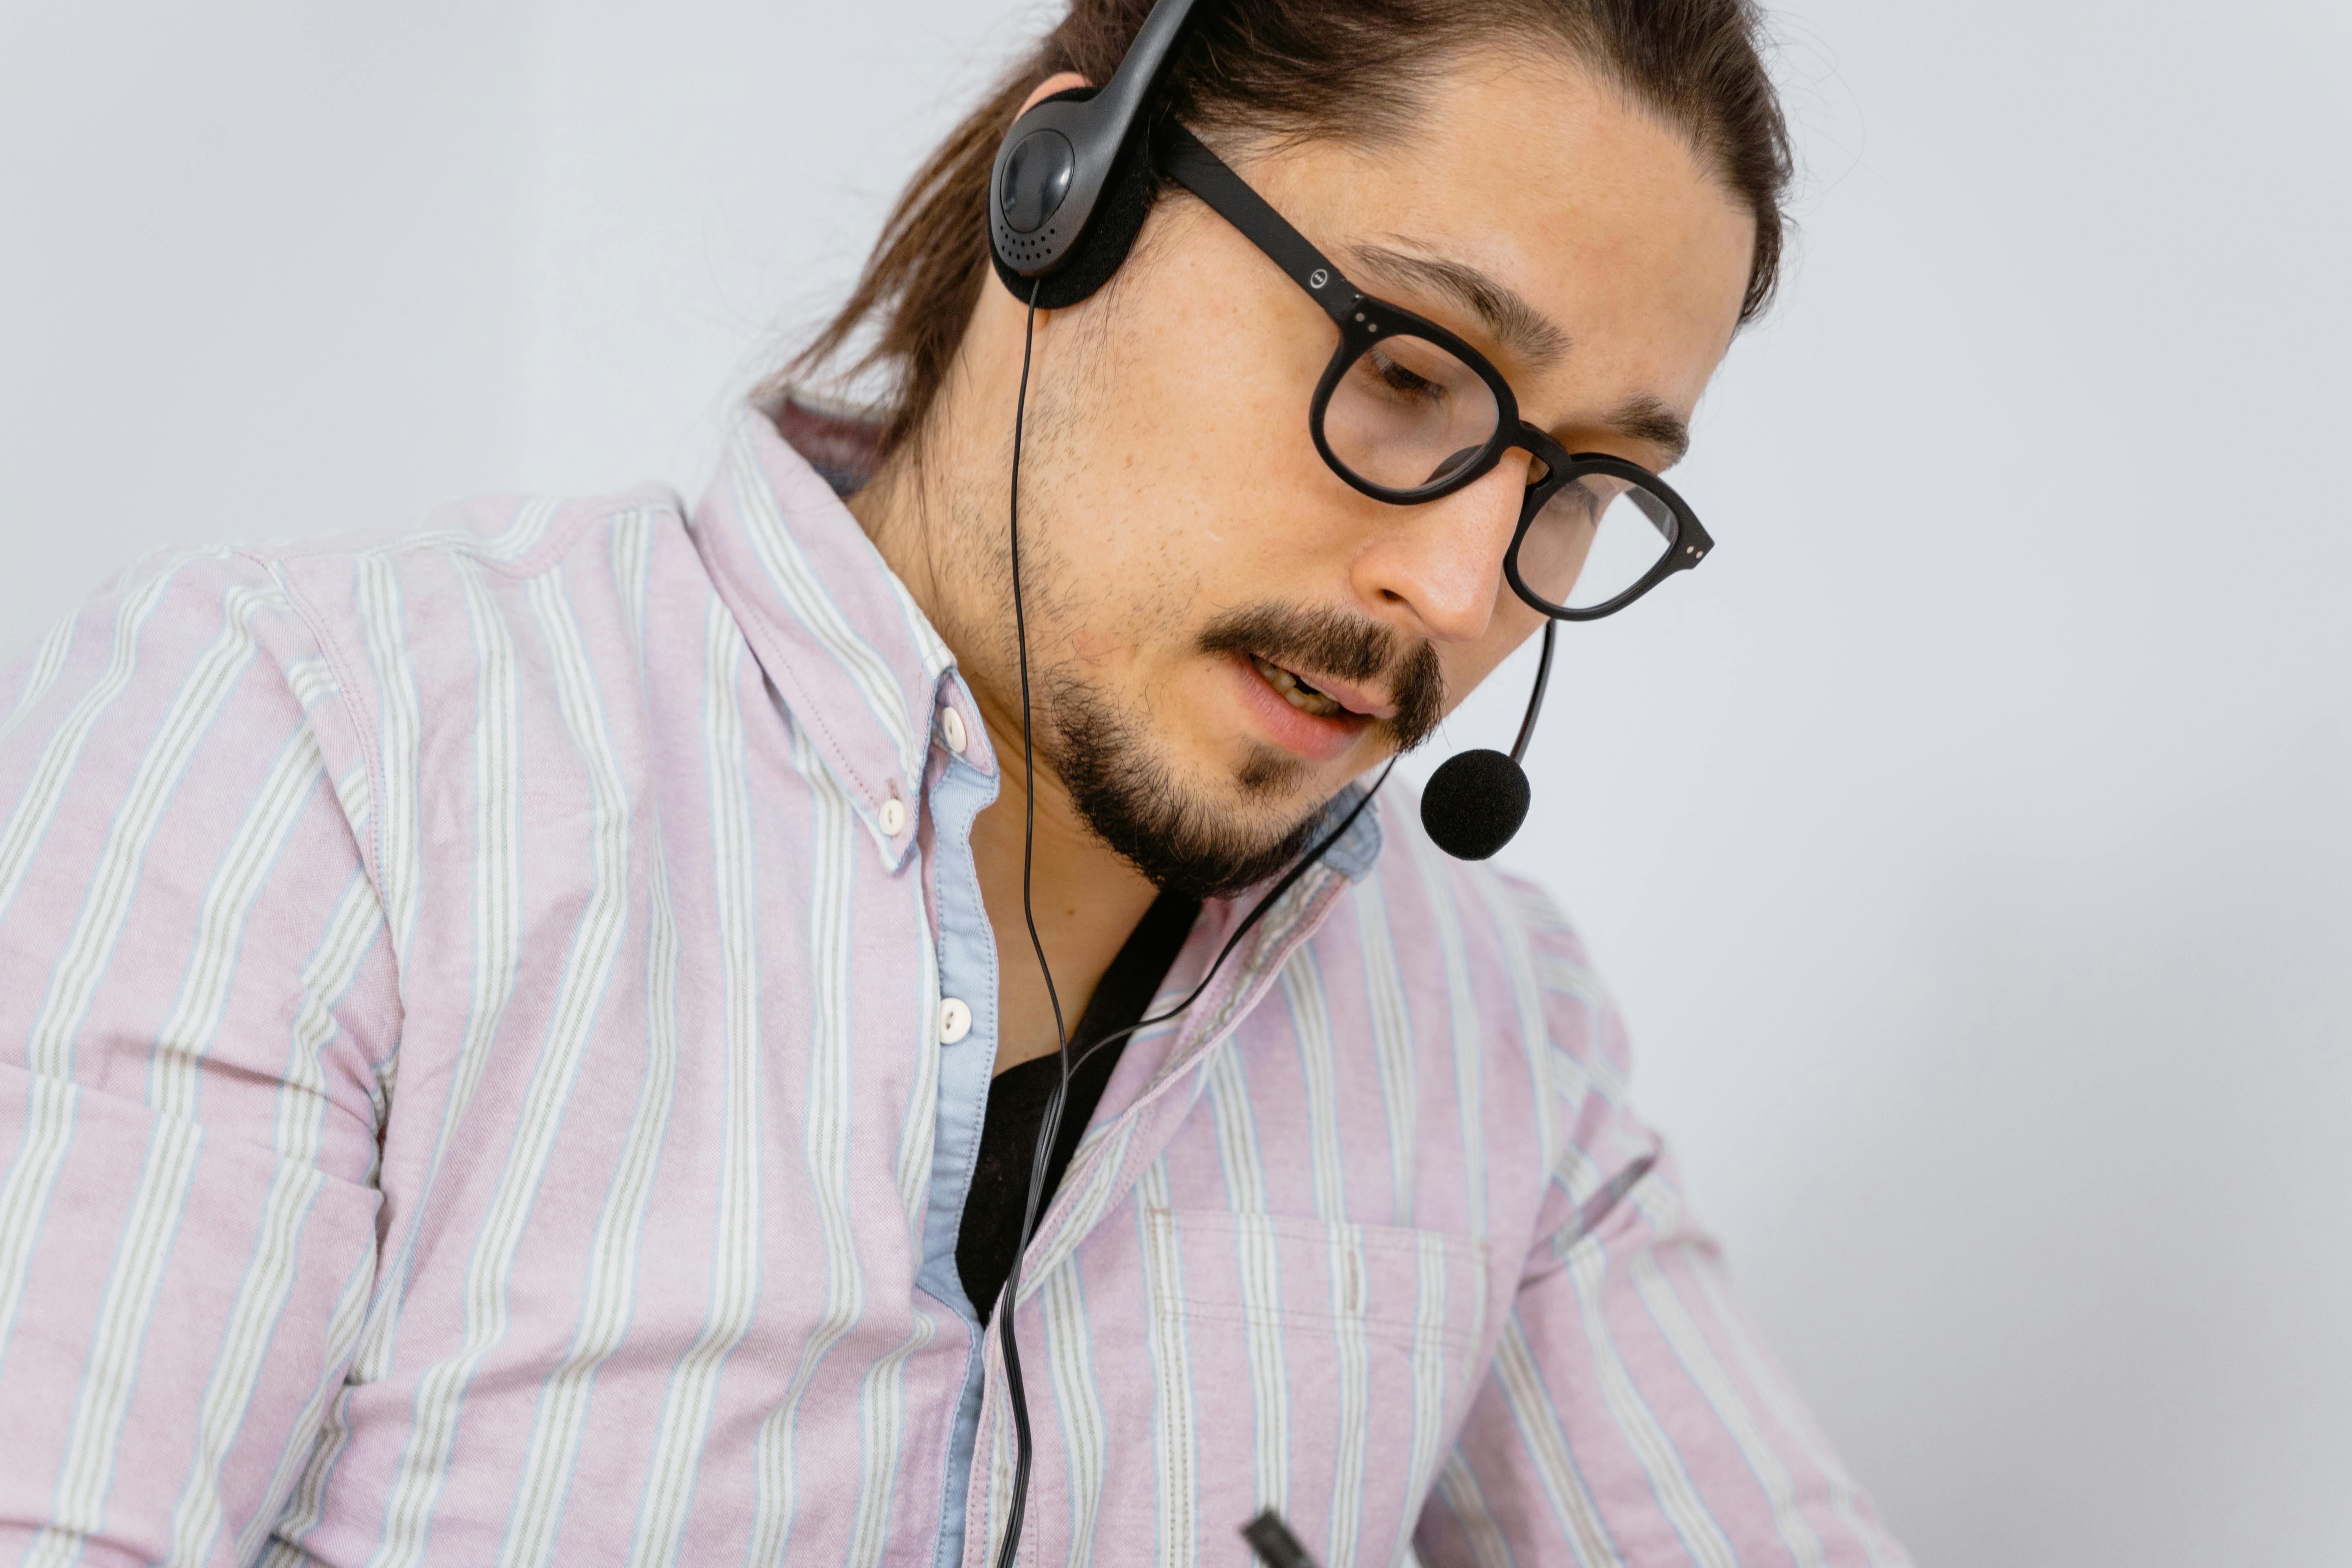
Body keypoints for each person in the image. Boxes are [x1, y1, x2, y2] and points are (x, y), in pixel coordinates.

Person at [0, 0, 1914, 1563]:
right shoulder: (323, 747)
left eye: (1579, 486)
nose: (1456, 590)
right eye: (1409, 371)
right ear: (1062, 202)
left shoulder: (1499, 1028)